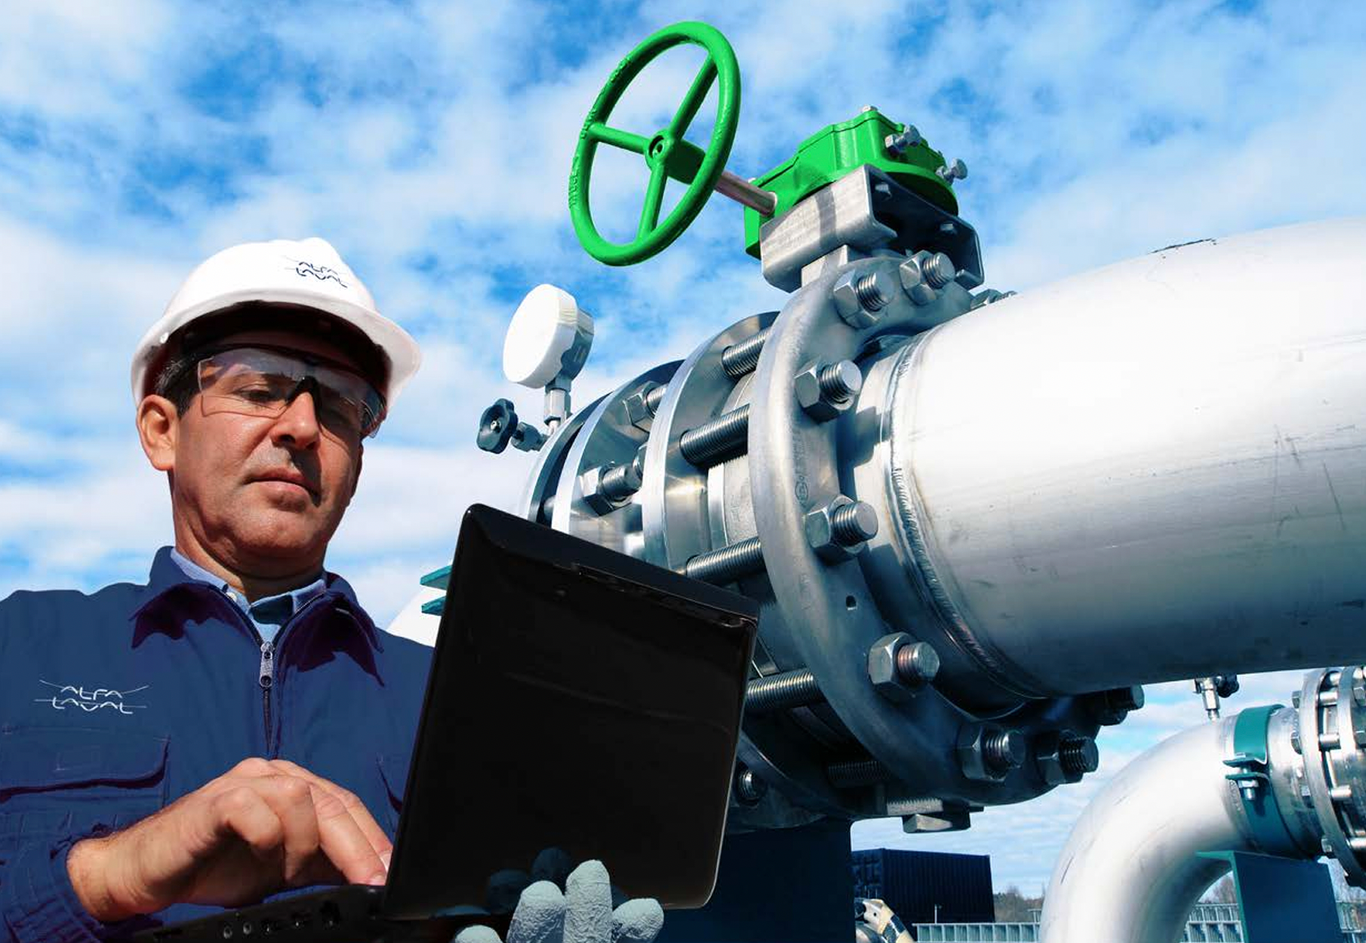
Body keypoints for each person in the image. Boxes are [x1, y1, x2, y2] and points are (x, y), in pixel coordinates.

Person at [0, 238, 662, 943]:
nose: (303, 426)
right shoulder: (20, 648)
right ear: (162, 430)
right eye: (259, 389)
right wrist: (108, 874)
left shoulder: (455, 703)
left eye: (343, 407)